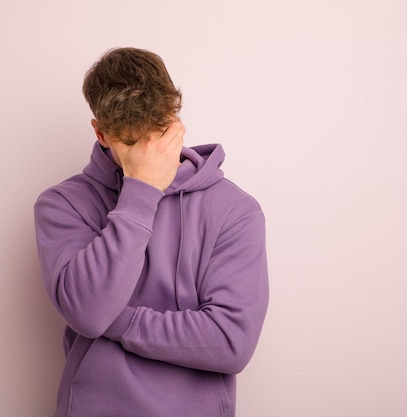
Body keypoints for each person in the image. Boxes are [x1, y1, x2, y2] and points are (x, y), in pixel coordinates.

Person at [34, 47, 269, 417]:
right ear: (101, 133)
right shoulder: (63, 204)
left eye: (156, 134)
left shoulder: (234, 209)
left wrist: (116, 317)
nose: (147, 153)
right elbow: (89, 314)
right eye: (130, 142)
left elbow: (230, 342)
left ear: (175, 120)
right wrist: (141, 191)